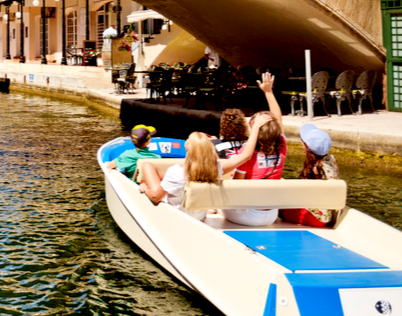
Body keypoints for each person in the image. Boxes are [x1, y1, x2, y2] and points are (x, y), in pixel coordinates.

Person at [136, 115, 265, 220]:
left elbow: (155, 197)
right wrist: (256, 128)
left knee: (147, 165)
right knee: (158, 172)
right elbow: (247, 155)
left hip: (176, 214)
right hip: (199, 215)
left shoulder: (176, 171)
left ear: (187, 149)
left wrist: (145, 188)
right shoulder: (217, 169)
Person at [220, 72, 286, 226]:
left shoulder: (247, 152)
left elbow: (237, 186)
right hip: (271, 214)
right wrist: (268, 92)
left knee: (220, 191)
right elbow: (279, 120)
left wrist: (255, 126)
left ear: (252, 127)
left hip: (249, 214)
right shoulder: (281, 147)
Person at [280, 125, 339, 227]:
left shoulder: (314, 169)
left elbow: (301, 193)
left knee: (276, 208)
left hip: (313, 218)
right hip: (325, 216)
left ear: (305, 146)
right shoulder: (330, 160)